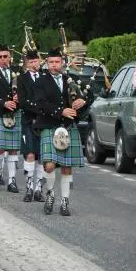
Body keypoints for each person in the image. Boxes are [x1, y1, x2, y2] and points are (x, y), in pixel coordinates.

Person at [34, 48, 90, 216]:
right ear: (47, 63)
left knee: (66, 167)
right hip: (49, 126)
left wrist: (83, 101)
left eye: (57, 62)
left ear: (62, 63)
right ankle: (50, 193)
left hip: (67, 127)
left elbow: (88, 96)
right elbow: (40, 103)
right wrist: (61, 111)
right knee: (50, 166)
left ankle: (65, 201)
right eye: (51, 62)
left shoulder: (71, 80)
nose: (54, 65)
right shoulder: (41, 81)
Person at [0, 44, 22, 193]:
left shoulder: (18, 73)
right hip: (0, 113)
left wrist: (20, 97)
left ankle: (12, 180)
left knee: (13, 149)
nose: (2, 59)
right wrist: (3, 102)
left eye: (5, 56)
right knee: (0, 149)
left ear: (9, 57)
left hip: (15, 113)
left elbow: (27, 91)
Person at [17, 50, 46, 202]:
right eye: (31, 62)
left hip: (44, 122)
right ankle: (28, 189)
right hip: (28, 121)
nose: (35, 64)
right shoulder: (22, 79)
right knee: (30, 154)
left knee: (41, 156)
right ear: (27, 64)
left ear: (39, 62)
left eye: (36, 61)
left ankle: (38, 190)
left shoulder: (45, 78)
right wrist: (40, 108)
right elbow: (22, 101)